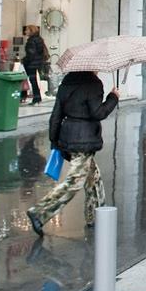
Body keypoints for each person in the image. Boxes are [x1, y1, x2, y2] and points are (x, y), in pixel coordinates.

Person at [27, 72, 119, 235]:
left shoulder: (66, 84)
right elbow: (98, 113)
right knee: (75, 181)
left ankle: (95, 216)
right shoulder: (93, 84)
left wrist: (54, 140)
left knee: (93, 177)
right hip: (83, 140)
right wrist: (113, 97)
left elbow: (56, 116)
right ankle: (40, 213)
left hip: (68, 137)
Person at [22, 25, 48, 105]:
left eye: (27, 30)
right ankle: (37, 97)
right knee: (34, 81)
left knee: (32, 81)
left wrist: (24, 60)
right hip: (38, 63)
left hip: (31, 64)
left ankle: (35, 98)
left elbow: (31, 54)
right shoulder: (39, 39)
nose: (25, 32)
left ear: (31, 31)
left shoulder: (31, 41)